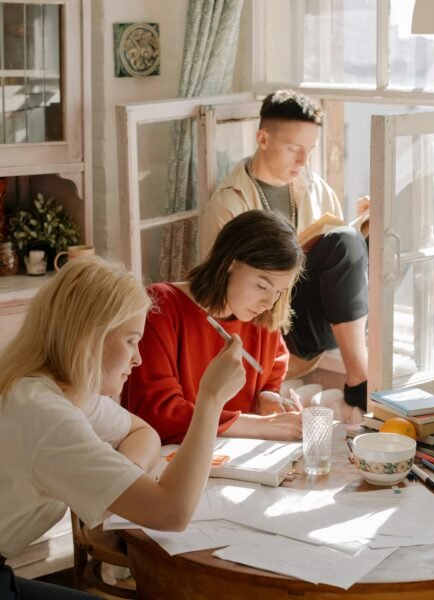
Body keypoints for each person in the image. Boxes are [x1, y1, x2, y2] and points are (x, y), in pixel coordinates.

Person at [0, 256, 246, 599]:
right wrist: (210, 399)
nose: (138, 358)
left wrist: (124, 479)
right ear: (90, 336)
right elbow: (172, 512)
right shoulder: (46, 416)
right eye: (131, 340)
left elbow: (142, 432)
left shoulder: (60, 391)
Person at [200, 90, 369, 410]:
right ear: (263, 139)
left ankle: (365, 364)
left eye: (310, 150)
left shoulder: (316, 188)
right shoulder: (229, 203)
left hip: (324, 321)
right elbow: (221, 297)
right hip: (274, 329)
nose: (303, 160)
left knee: (373, 227)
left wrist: (365, 227)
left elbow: (340, 269)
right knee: (345, 242)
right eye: (293, 149)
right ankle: (360, 381)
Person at [123, 210, 305, 444]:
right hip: (171, 460)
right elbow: (158, 414)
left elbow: (272, 371)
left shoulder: (261, 316)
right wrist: (260, 426)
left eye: (279, 292)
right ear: (230, 262)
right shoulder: (162, 306)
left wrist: (267, 396)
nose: (269, 303)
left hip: (236, 458)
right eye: (262, 286)